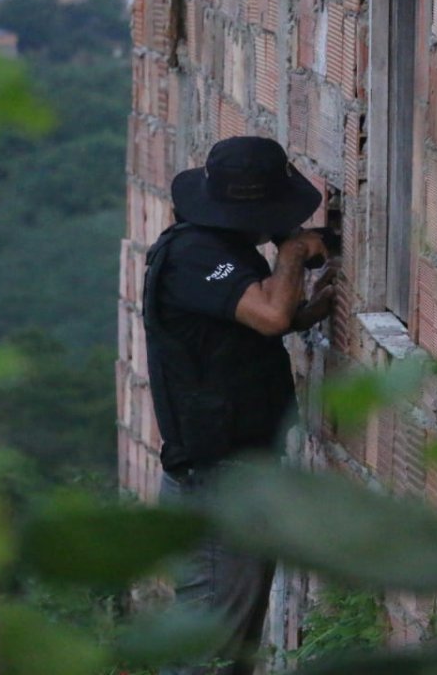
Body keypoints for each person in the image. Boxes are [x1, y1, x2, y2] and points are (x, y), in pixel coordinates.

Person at [142, 135, 337, 675]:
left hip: (236, 479)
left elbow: (236, 332)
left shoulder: (219, 250)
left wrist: (308, 308)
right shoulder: (194, 253)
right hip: (216, 486)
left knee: (228, 650)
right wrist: (295, 252)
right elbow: (270, 316)